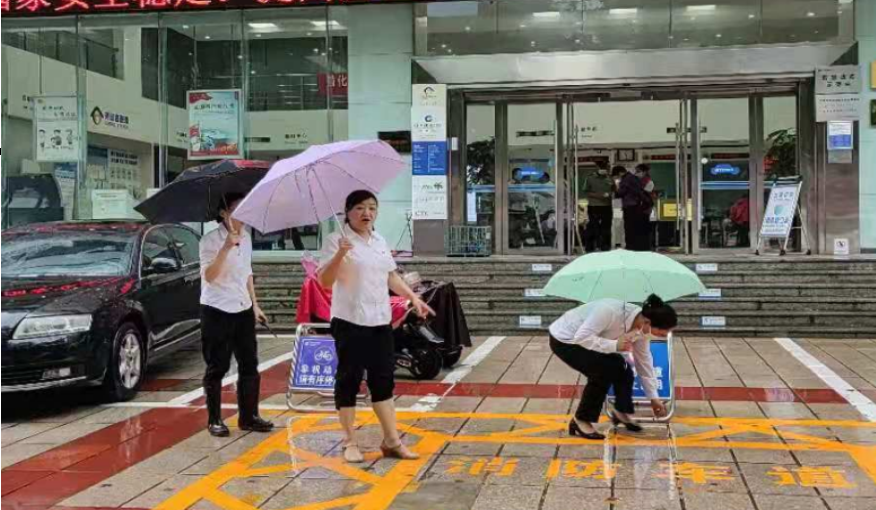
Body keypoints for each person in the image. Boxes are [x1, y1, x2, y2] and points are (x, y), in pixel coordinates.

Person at [318, 190, 434, 463]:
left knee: (383, 379)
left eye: (371, 207)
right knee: (349, 379)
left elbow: (390, 275)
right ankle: (349, 442)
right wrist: (339, 255)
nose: (366, 213)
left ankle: (391, 441)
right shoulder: (335, 240)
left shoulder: (379, 239)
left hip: (380, 320)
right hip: (349, 320)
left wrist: (413, 297)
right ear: (347, 212)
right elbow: (323, 281)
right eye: (359, 208)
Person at [549, 295, 677, 439]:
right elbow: (581, 338)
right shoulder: (609, 311)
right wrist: (614, 345)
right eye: (660, 333)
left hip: (586, 340)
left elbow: (644, 362)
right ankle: (581, 420)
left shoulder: (642, 329)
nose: (662, 336)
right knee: (601, 371)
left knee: (621, 367)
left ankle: (621, 411)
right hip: (565, 340)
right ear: (647, 322)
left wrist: (654, 398)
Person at [199, 192, 274, 437]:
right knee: (217, 365)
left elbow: (247, 273)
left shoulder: (247, 238)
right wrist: (225, 248)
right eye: (237, 208)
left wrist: (255, 304)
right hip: (217, 309)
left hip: (242, 307)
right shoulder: (209, 240)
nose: (243, 213)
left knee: (249, 363)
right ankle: (215, 419)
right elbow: (209, 277)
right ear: (223, 213)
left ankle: (249, 416)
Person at [613, 165, 652, 251]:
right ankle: (636, 246)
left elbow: (620, 193)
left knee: (629, 227)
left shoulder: (626, 179)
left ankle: (630, 247)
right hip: (636, 206)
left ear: (620, 173)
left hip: (630, 207)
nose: (617, 177)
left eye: (617, 175)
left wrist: (616, 187)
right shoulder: (634, 178)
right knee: (635, 227)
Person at [582, 162, 613, 253]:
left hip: (607, 206)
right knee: (592, 227)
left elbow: (615, 190)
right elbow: (586, 191)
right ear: (597, 167)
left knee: (606, 228)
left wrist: (611, 193)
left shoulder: (610, 178)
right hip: (594, 205)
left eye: (606, 167)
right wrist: (598, 195)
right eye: (602, 167)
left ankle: (605, 247)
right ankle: (590, 247)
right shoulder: (590, 178)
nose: (604, 169)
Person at [634, 164, 657, 251]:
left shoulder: (649, 182)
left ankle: (648, 247)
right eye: (636, 171)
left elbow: (642, 195)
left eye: (638, 171)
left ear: (644, 172)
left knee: (646, 228)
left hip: (647, 209)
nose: (636, 173)